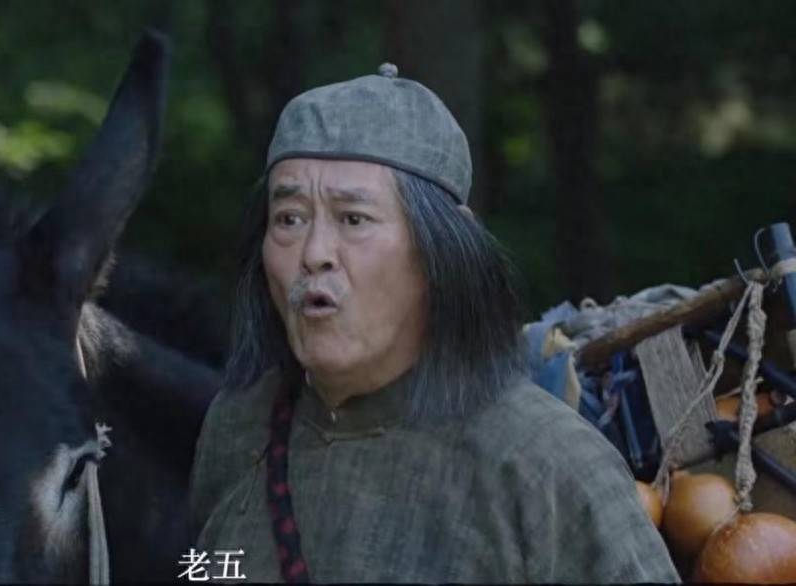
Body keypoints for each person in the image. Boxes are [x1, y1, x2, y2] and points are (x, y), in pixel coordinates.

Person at [188, 64, 680, 583]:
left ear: (444, 252)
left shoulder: (548, 464)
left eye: (353, 219)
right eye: (289, 219)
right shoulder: (239, 426)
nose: (314, 253)